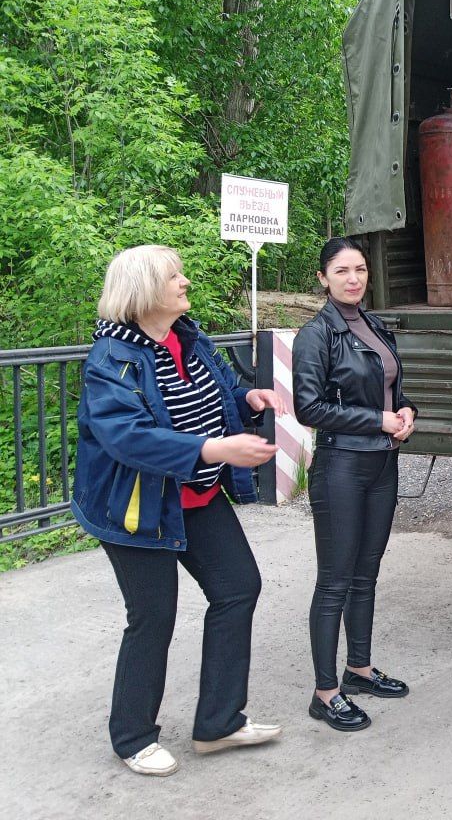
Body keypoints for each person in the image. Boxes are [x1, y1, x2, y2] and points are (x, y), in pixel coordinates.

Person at [72, 245, 285, 777]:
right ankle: (133, 737)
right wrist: (215, 451)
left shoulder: (187, 336)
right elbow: (129, 439)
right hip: (136, 509)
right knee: (153, 618)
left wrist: (248, 397)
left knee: (238, 588)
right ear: (143, 290)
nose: (185, 281)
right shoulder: (110, 360)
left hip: (197, 496)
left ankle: (218, 723)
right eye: (175, 276)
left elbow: (219, 388)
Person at [293, 237, 417, 732]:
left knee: (366, 573)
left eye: (361, 269)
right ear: (323, 278)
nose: (353, 278)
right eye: (342, 270)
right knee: (335, 582)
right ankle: (326, 693)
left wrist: (407, 412)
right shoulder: (316, 334)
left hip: (382, 465)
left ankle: (359, 671)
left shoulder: (377, 326)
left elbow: (394, 391)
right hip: (341, 466)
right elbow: (310, 408)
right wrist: (379, 421)